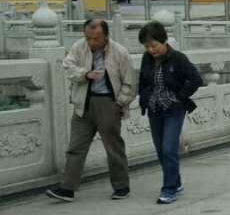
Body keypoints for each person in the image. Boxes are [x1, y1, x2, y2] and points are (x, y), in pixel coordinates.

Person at [47, 18, 137, 202]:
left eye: (96, 38)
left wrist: (119, 103)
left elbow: (130, 82)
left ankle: (121, 186)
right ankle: (68, 188)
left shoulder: (120, 52)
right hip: (83, 102)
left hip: (108, 102)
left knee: (113, 147)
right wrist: (85, 74)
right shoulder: (79, 47)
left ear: (106, 36)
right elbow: (67, 66)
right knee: (75, 147)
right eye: (88, 38)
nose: (91, 42)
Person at [137, 21, 204, 204]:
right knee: (160, 149)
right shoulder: (146, 59)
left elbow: (196, 79)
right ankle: (176, 181)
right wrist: (144, 96)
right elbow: (143, 81)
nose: (151, 50)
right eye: (147, 46)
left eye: (154, 45)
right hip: (154, 108)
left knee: (169, 148)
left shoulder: (178, 58)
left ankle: (169, 189)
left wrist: (180, 96)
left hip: (173, 109)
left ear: (164, 40)